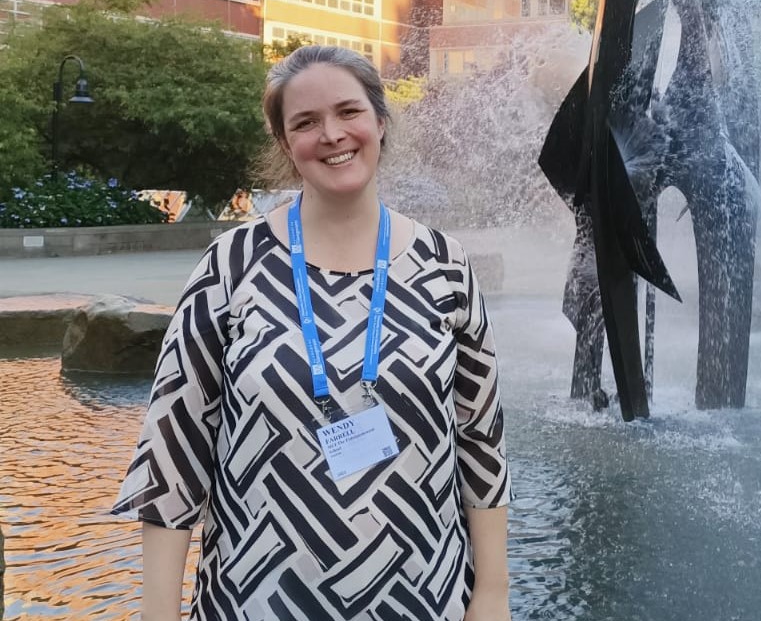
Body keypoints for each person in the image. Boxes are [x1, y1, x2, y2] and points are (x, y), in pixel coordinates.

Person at [113, 45, 512, 620]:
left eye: (349, 112)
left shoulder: (443, 264)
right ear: (285, 143)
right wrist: (159, 613)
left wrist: (492, 594)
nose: (332, 134)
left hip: (424, 596)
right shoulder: (231, 265)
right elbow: (174, 454)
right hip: (256, 598)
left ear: (379, 120)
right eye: (305, 122)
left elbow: (482, 441)